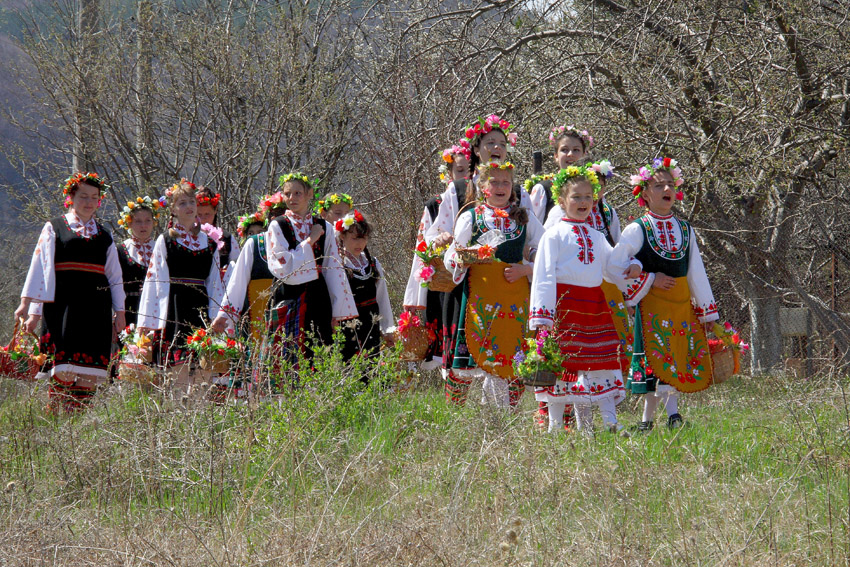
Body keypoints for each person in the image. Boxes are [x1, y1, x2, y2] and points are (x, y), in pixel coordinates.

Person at [529, 165, 640, 432]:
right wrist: (543, 318)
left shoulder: (596, 235)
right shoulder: (553, 235)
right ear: (561, 200)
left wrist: (631, 265)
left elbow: (612, 266)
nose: (583, 202)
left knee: (600, 363)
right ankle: (555, 427)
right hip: (564, 307)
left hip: (594, 306)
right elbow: (543, 275)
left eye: (588, 197)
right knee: (564, 367)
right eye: (576, 197)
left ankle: (609, 423)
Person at [611, 158, 719, 430]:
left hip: (680, 306)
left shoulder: (685, 229)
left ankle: (654, 421)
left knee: (674, 359)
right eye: (659, 185)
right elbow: (613, 266)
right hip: (653, 307)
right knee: (657, 361)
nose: (667, 189)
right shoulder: (637, 229)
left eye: (671, 184)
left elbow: (696, 271)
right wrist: (649, 279)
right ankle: (670, 418)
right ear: (645, 194)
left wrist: (707, 311)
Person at [15, 172, 126, 411]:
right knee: (63, 370)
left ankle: (78, 427)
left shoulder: (105, 236)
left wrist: (121, 312)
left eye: (94, 197)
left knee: (90, 373)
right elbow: (40, 269)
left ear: (99, 201)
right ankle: (57, 423)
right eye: (83, 196)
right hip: (62, 308)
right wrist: (29, 307)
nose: (89, 202)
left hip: (96, 310)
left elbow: (115, 278)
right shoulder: (54, 227)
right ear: (71, 197)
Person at [442, 161, 545, 408]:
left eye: (506, 182)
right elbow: (451, 256)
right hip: (481, 298)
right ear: (482, 186)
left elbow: (546, 252)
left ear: (513, 187)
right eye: (494, 182)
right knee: (478, 353)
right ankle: (459, 413)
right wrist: (469, 257)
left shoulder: (524, 217)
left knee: (510, 355)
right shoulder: (471, 217)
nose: (501, 187)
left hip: (514, 298)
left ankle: (501, 416)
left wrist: (527, 268)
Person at [137, 179, 224, 389]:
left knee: (204, 368)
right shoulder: (165, 240)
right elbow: (154, 281)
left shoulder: (210, 243)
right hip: (175, 309)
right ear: (173, 210)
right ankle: (178, 416)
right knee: (179, 369)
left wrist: (219, 317)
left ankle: (200, 416)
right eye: (182, 203)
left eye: (191, 202)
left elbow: (215, 284)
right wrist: (147, 321)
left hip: (201, 309)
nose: (189, 207)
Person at [265, 172, 357, 372]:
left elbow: (333, 268)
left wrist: (340, 309)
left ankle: (316, 398)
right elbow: (282, 265)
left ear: (309, 194)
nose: (292, 198)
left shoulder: (325, 226)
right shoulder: (278, 225)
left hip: (318, 295)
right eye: (288, 193)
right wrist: (310, 241)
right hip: (288, 294)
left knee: (318, 347)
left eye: (298, 193)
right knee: (288, 352)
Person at [402, 145, 469, 371]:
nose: (465, 176)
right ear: (449, 174)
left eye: (470, 170)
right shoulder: (435, 205)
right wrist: (439, 240)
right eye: (460, 171)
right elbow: (423, 244)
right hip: (444, 282)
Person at [336, 210, 394, 377]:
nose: (360, 243)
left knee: (371, 366)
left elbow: (382, 298)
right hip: (348, 326)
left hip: (371, 323)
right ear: (342, 237)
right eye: (355, 238)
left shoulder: (373, 264)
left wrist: (387, 328)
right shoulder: (338, 265)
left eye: (364, 238)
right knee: (349, 367)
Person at [529, 124, 593, 223]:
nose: (570, 154)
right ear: (556, 156)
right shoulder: (543, 189)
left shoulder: (592, 186)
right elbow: (532, 229)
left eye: (576, 150)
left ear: (584, 154)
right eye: (564, 150)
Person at [116, 195, 163, 326]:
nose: (143, 226)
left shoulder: (160, 248)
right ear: (129, 223)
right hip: (130, 311)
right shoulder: (120, 250)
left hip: (156, 310)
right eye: (138, 221)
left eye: (148, 221)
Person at [195, 185, 240, 275]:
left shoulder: (227, 239)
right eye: (199, 215)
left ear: (215, 210)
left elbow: (238, 269)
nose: (203, 219)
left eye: (207, 214)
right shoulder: (185, 237)